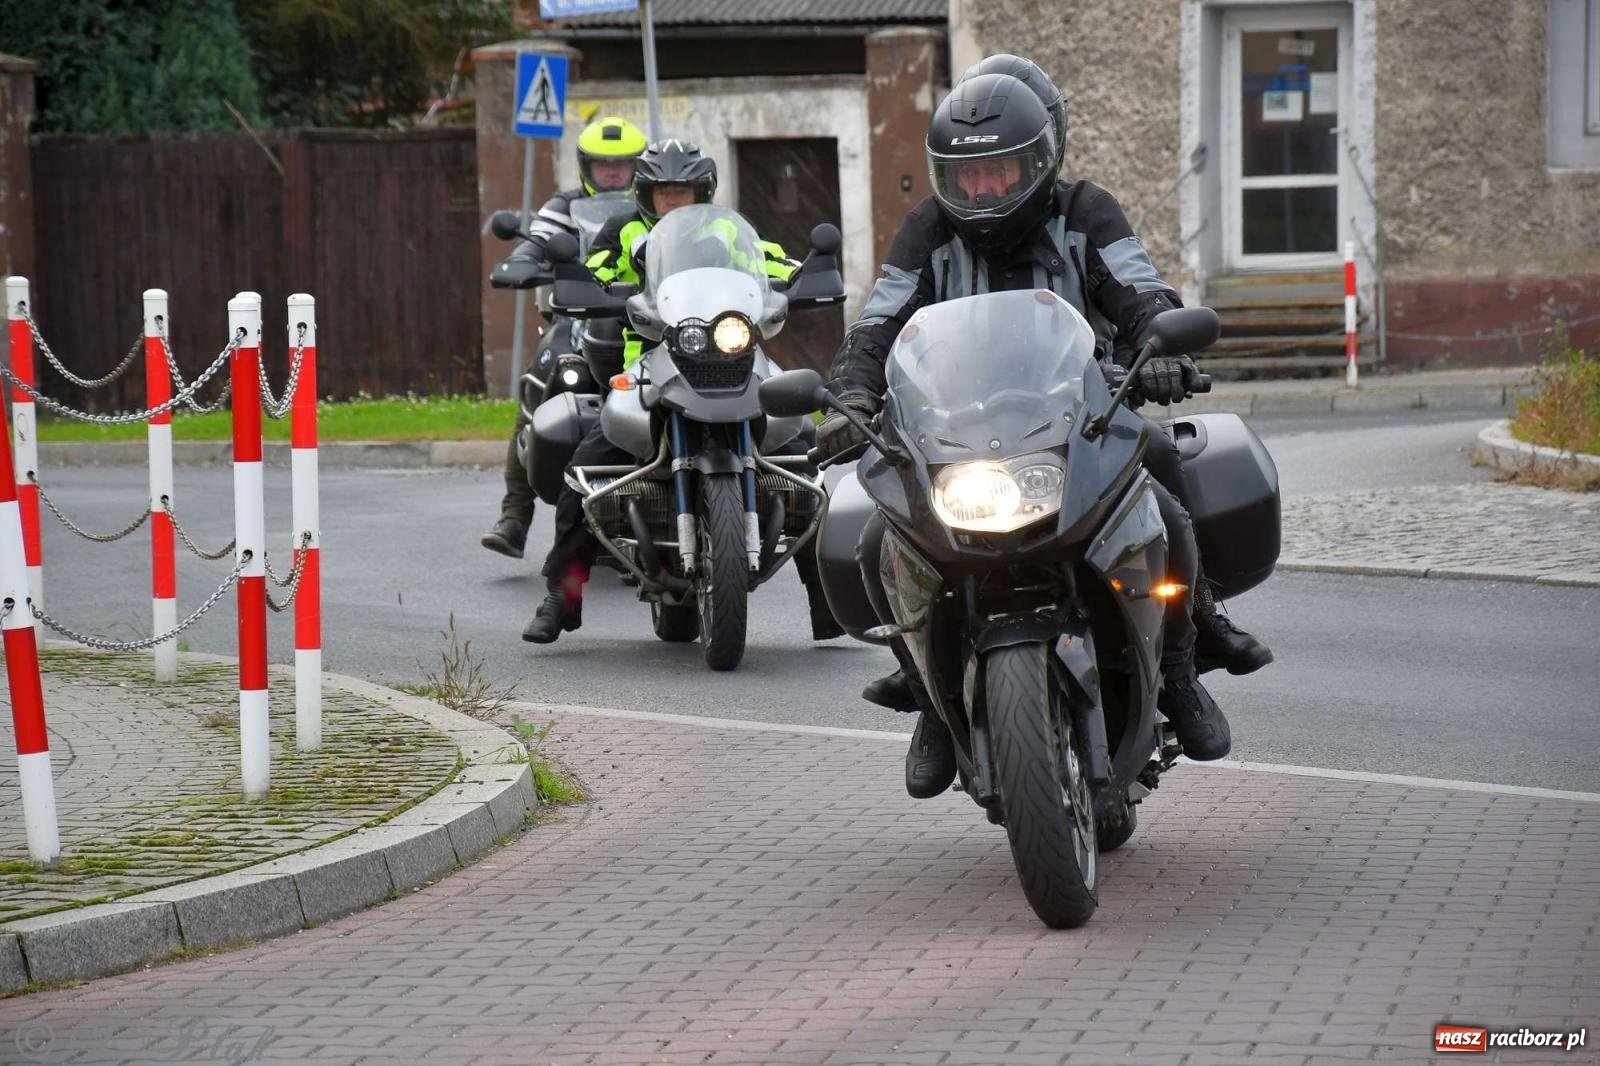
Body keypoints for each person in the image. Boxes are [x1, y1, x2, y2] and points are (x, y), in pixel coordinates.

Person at [816, 68, 1269, 796]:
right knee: (878, 542)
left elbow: (1142, 290)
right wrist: (852, 394)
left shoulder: (1086, 212)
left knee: (1166, 498)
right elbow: (878, 321)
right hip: (953, 437)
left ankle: (1184, 659)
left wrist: (1160, 351)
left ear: (1038, 162)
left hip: (1080, 419)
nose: (984, 192)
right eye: (967, 177)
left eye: (999, 173)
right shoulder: (926, 232)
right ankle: (931, 699)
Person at [522, 139, 844, 645]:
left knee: (801, 455)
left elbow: (770, 263)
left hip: (734, 354)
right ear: (646, 194)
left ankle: (825, 598)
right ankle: (562, 595)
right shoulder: (622, 230)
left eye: (684, 191)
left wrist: (807, 274)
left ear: (703, 191)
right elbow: (597, 270)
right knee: (582, 475)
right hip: (651, 360)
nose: (674, 202)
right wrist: (583, 283)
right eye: (664, 192)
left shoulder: (725, 230)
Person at [481, 115, 648, 560]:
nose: (612, 173)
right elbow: (537, 238)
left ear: (637, 166)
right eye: (603, 165)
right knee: (536, 388)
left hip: (644, 322)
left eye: (622, 164)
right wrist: (523, 259)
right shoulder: (564, 206)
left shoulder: (654, 208)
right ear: (585, 167)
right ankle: (515, 517)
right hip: (574, 320)